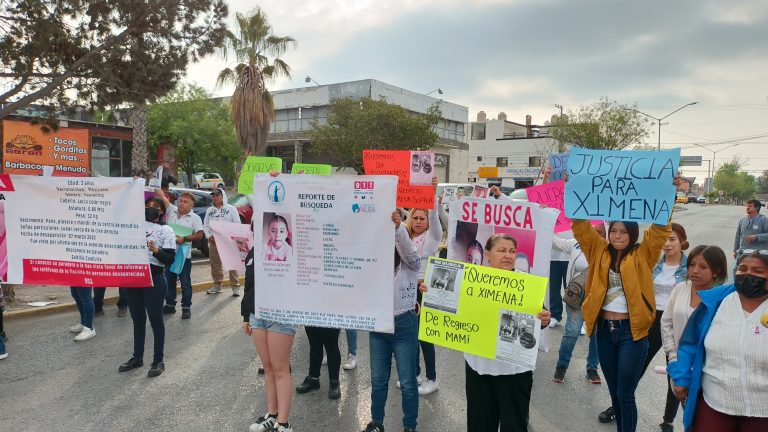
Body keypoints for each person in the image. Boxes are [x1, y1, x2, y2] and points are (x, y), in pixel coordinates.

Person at [573, 214, 672, 432]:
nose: (617, 236)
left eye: (624, 231)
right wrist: (572, 190)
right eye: (614, 231)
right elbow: (581, 229)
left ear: (633, 233)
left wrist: (668, 199)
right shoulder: (598, 250)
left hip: (632, 333)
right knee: (614, 391)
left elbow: (659, 231)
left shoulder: (643, 254)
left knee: (625, 393)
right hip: (604, 331)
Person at [598, 223, 690, 425]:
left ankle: (668, 420)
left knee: (674, 371)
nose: (667, 244)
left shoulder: (690, 267)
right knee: (633, 369)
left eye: (672, 239)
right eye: (665, 239)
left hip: (676, 320)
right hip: (649, 318)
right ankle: (618, 405)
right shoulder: (651, 261)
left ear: (682, 242)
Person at [667, 250, 768, 432]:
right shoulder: (714, 303)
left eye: (758, 271)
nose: (748, 275)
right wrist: (681, 378)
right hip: (715, 401)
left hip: (763, 409)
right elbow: (689, 344)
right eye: (743, 268)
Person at [459, 234, 551, 432]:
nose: (508, 256)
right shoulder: (472, 281)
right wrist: (431, 293)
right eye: (501, 250)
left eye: (512, 251)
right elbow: (452, 308)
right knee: (480, 424)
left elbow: (538, 319)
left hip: (515, 372)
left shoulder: (526, 284)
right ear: (487, 254)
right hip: (479, 368)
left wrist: (544, 320)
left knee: (514, 426)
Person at [361, 210, 421, 432]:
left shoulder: (409, 262)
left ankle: (409, 426)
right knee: (378, 380)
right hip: (378, 327)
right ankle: (377, 423)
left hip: (404, 322)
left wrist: (398, 229)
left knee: (407, 382)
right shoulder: (374, 261)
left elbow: (413, 256)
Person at [660, 245, 728, 432]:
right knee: (687, 412)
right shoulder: (680, 289)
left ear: (717, 271)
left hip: (705, 369)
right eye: (692, 265)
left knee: (700, 418)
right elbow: (666, 324)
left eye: (703, 267)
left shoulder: (724, 298)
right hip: (677, 363)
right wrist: (673, 358)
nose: (695, 271)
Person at [119, 196, 176, 378]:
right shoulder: (133, 226)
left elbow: (169, 259)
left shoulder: (166, 230)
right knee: (137, 320)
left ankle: (158, 360)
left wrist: (156, 251)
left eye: (156, 206)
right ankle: (137, 357)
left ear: (161, 211)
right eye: (148, 205)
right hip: (134, 277)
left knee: (156, 320)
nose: (151, 208)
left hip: (154, 279)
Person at [552, 223, 605, 385]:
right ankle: (561, 366)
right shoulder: (576, 244)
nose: (595, 235)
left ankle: (592, 369)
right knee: (572, 331)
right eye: (593, 231)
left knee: (596, 334)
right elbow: (556, 242)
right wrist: (545, 220)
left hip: (599, 299)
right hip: (576, 298)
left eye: (600, 232)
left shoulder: (610, 249)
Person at [406, 176, 445, 396]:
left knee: (424, 337)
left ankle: (432, 378)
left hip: (424, 292)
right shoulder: (404, 236)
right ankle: (415, 373)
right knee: (409, 336)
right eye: (415, 217)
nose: (419, 221)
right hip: (405, 292)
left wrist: (433, 191)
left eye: (422, 218)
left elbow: (435, 218)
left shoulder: (431, 239)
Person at [156, 190, 204, 319]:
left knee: (185, 283)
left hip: (184, 257)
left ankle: (186, 307)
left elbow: (200, 235)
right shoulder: (171, 210)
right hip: (169, 254)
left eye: (185, 202)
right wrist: (153, 178)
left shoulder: (195, 218)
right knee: (169, 280)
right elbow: (160, 195)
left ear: (192, 205)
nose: (182, 203)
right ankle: (170, 305)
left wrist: (185, 238)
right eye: (181, 201)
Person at [204, 188, 242, 296]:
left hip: (228, 241)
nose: (215, 198)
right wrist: (208, 236)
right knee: (215, 264)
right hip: (214, 241)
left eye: (217, 195)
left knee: (231, 264)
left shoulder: (231, 209)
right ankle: (217, 285)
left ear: (223, 196)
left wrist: (230, 236)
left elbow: (237, 224)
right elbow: (206, 225)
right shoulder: (209, 210)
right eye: (213, 196)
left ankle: (235, 286)